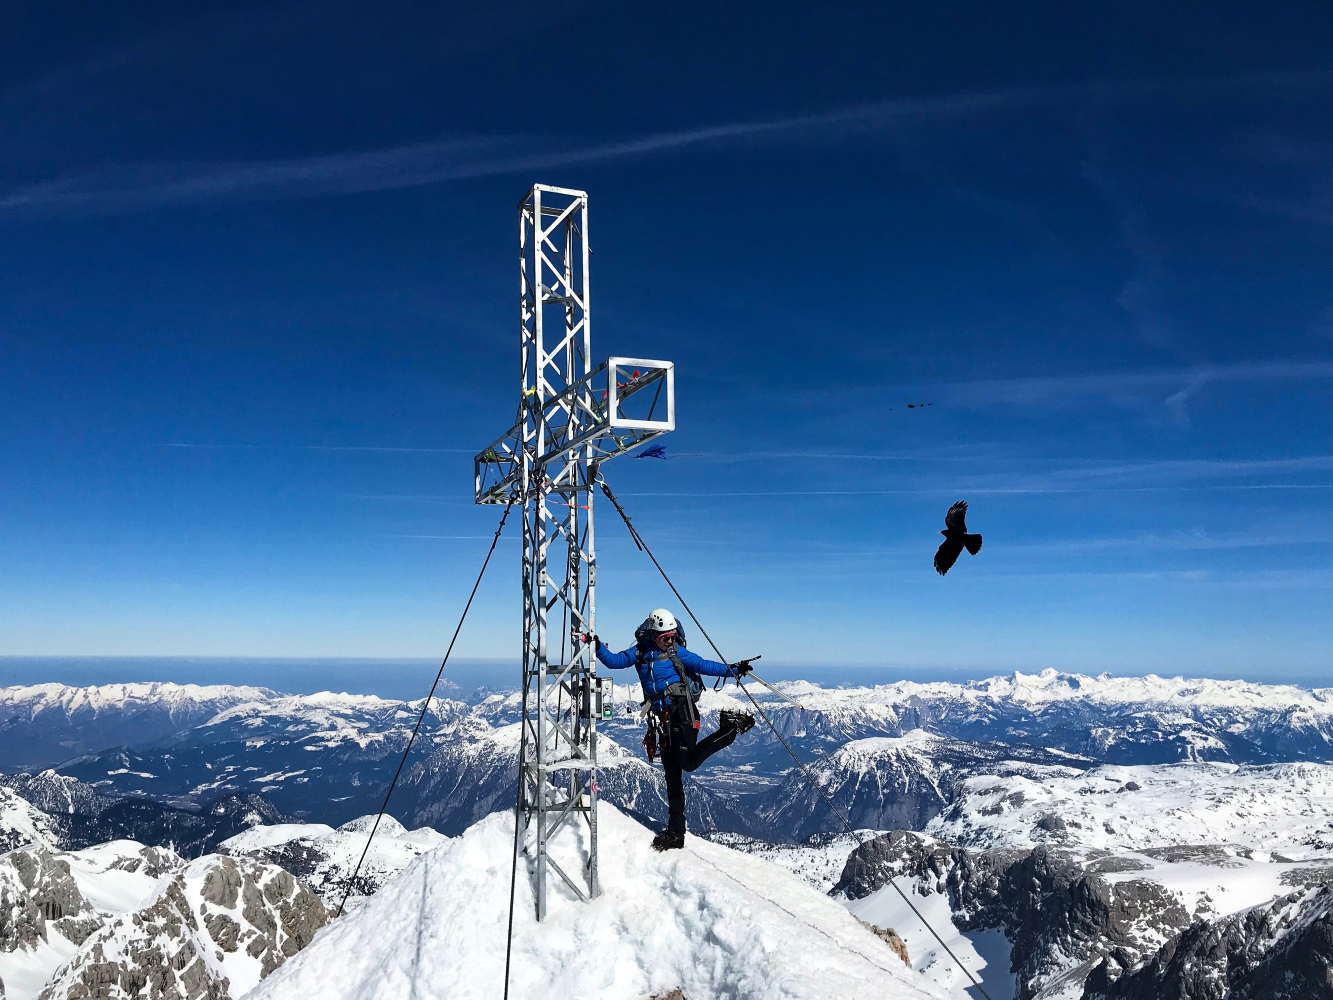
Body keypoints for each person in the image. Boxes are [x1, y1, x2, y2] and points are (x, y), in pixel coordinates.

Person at [588, 608, 755, 851]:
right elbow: (615, 661)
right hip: (662, 721)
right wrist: (596, 646)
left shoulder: (677, 652)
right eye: (665, 637)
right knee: (672, 774)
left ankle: (730, 727)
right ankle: (676, 833)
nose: (670, 641)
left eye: (672, 636)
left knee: (688, 762)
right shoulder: (640, 652)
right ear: (653, 635)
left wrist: (734, 670)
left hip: (683, 714)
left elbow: (704, 665)